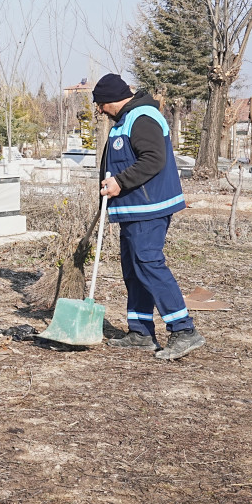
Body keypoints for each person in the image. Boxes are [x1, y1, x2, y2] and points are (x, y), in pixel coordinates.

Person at [92, 73, 205, 360]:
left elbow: (154, 159)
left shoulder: (142, 117)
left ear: (110, 100)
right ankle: (140, 331)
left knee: (149, 264)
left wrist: (120, 182)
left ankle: (183, 329)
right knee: (134, 269)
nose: (99, 110)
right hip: (132, 210)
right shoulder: (124, 121)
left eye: (100, 104)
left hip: (149, 209)